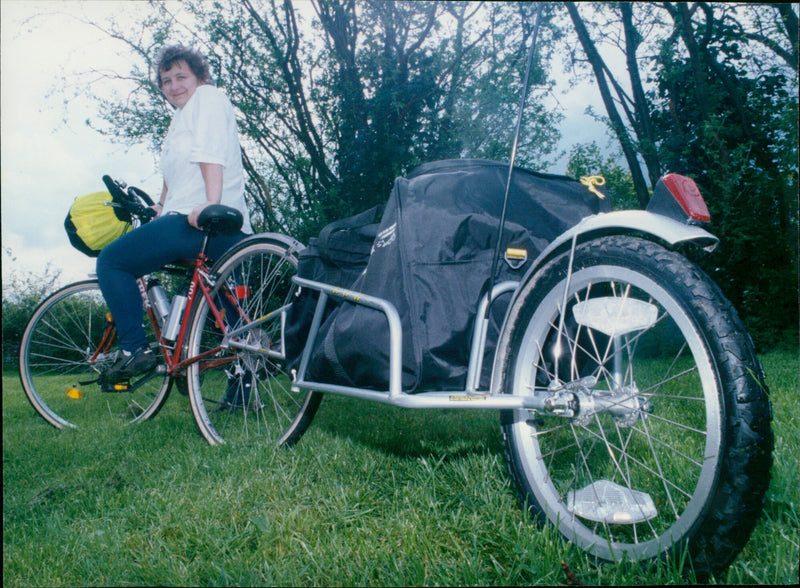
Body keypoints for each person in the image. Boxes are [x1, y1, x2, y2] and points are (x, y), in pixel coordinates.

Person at [97, 44, 253, 385]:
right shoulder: (180, 118)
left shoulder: (207, 98)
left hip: (203, 221)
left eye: (181, 76)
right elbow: (175, 175)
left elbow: (210, 153)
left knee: (112, 262)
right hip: (205, 221)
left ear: (200, 77)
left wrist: (212, 205)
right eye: (166, 80)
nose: (173, 85)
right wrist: (159, 208)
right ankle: (241, 392)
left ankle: (133, 350)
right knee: (230, 320)